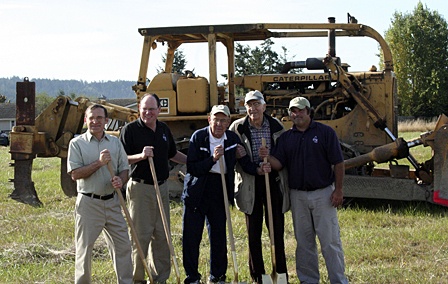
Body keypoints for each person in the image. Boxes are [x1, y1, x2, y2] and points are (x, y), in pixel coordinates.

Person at [262, 96, 348, 284]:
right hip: (298, 196)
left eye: (301, 110)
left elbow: (338, 163)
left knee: (330, 242)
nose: (297, 114)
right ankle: (308, 280)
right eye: (293, 111)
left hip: (323, 194)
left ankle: (339, 280)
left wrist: (338, 190)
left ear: (309, 112)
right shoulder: (286, 138)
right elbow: (279, 163)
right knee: (304, 243)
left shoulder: (325, 133)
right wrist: (267, 157)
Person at [181, 105, 256, 284]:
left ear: (228, 122)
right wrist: (212, 159)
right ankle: (192, 277)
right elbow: (193, 167)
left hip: (219, 189)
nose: (219, 124)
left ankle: (218, 276)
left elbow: (243, 162)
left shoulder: (231, 138)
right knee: (191, 237)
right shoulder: (198, 137)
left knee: (219, 236)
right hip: (197, 190)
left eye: (223, 120)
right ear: (209, 119)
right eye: (216, 119)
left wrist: (256, 166)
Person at [119, 93, 187, 284]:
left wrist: (194, 161)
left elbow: (172, 154)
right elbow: (121, 159)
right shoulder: (130, 130)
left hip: (162, 187)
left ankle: (159, 278)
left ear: (159, 110)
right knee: (140, 235)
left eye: (152, 109)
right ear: (139, 109)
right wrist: (140, 156)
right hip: (141, 188)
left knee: (162, 234)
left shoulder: (163, 129)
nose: (148, 112)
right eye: (144, 109)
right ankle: (137, 278)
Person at [67, 104, 133, 284]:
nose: (95, 121)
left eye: (99, 118)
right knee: (84, 249)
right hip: (89, 203)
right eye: (92, 118)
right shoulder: (77, 144)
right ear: (85, 120)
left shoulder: (115, 143)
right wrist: (99, 163)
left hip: (112, 202)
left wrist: (120, 180)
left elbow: (124, 169)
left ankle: (126, 281)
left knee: (123, 246)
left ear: (107, 121)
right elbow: (75, 174)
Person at [229, 90, 289, 283]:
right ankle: (258, 275)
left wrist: (270, 160)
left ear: (264, 106)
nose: (253, 108)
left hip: (273, 180)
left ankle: (280, 272)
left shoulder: (276, 126)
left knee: (276, 229)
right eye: (249, 105)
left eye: (257, 104)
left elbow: (283, 153)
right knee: (253, 230)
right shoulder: (237, 128)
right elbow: (235, 156)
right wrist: (253, 166)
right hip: (250, 181)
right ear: (245, 107)